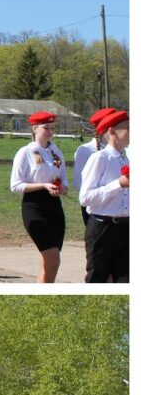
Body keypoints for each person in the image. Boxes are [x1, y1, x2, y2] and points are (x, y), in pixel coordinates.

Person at [10, 111, 69, 282]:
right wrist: (43, 185)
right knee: (53, 259)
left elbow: (64, 178)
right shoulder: (25, 152)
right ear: (35, 128)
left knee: (48, 262)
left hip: (55, 207)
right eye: (46, 128)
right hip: (34, 207)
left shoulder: (56, 152)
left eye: (52, 128)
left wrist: (62, 188)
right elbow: (16, 185)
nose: (50, 131)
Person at [79, 109, 129, 283]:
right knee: (97, 279)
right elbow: (85, 198)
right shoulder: (100, 158)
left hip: (126, 228)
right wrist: (118, 184)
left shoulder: (126, 159)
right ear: (112, 131)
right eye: (128, 128)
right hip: (103, 228)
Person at [74, 108, 117, 225]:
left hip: (118, 208)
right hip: (96, 209)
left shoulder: (121, 150)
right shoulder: (85, 150)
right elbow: (79, 184)